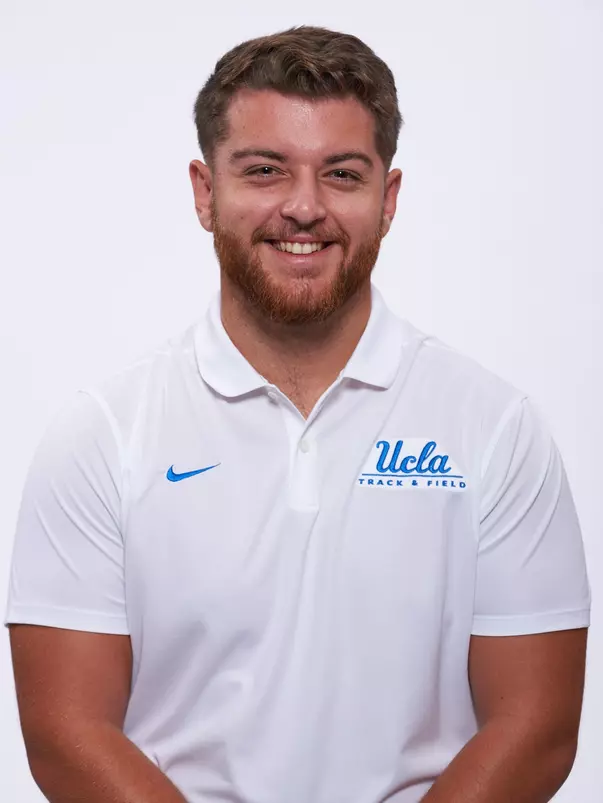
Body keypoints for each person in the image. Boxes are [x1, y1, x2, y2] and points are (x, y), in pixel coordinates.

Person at [4, 24, 591, 803]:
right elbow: (66, 736)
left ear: (388, 199)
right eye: (265, 171)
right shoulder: (102, 434)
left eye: (341, 174)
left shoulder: (495, 428)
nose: (304, 207)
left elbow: (537, 726)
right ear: (205, 192)